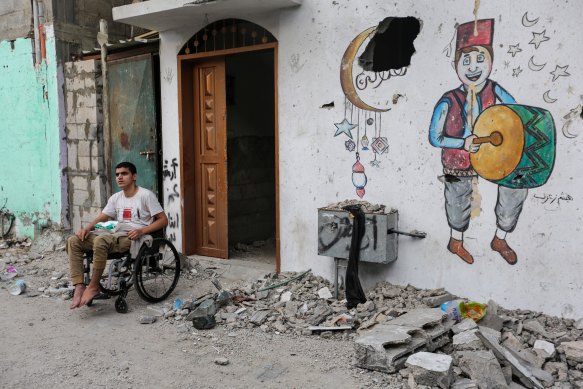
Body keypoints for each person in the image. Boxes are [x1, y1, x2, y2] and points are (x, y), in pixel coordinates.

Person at [428, 19, 527, 265]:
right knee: (458, 198)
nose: (474, 67)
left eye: (481, 59)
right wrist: (461, 143)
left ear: (491, 62)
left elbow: (516, 114)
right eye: (466, 60)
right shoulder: (447, 100)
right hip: (459, 159)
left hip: (495, 157)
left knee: (516, 185)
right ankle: (456, 241)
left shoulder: (496, 91)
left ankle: (500, 237)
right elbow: (434, 137)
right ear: (456, 65)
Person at [67, 162, 168, 309]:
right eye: (117, 174)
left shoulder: (146, 195)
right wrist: (87, 228)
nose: (120, 177)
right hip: (116, 233)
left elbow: (163, 220)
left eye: (124, 174)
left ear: (134, 176)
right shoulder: (116, 197)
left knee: (101, 241)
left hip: (134, 237)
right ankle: (79, 285)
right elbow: (103, 216)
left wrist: (142, 231)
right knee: (74, 240)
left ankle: (94, 286)